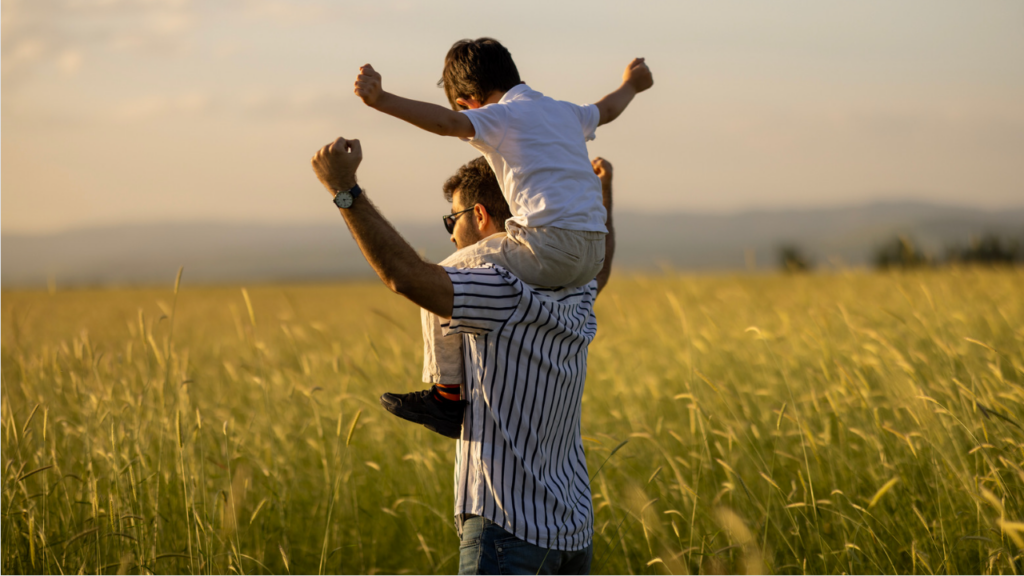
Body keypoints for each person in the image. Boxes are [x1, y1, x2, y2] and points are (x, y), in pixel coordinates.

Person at [310, 136, 616, 574]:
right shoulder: (575, 285)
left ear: (480, 216)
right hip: (573, 528)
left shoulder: (498, 289)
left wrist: (344, 190)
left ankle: (444, 397)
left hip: (510, 532)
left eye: (452, 219)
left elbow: (407, 277)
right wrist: (602, 195)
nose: (451, 233)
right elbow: (599, 265)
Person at [353, 37, 649, 436]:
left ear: (470, 99)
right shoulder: (565, 112)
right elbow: (609, 108)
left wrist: (382, 99)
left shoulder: (500, 115)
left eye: (463, 106)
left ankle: (445, 395)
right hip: (591, 252)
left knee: (441, 276)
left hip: (545, 245)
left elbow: (446, 125)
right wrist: (632, 83)